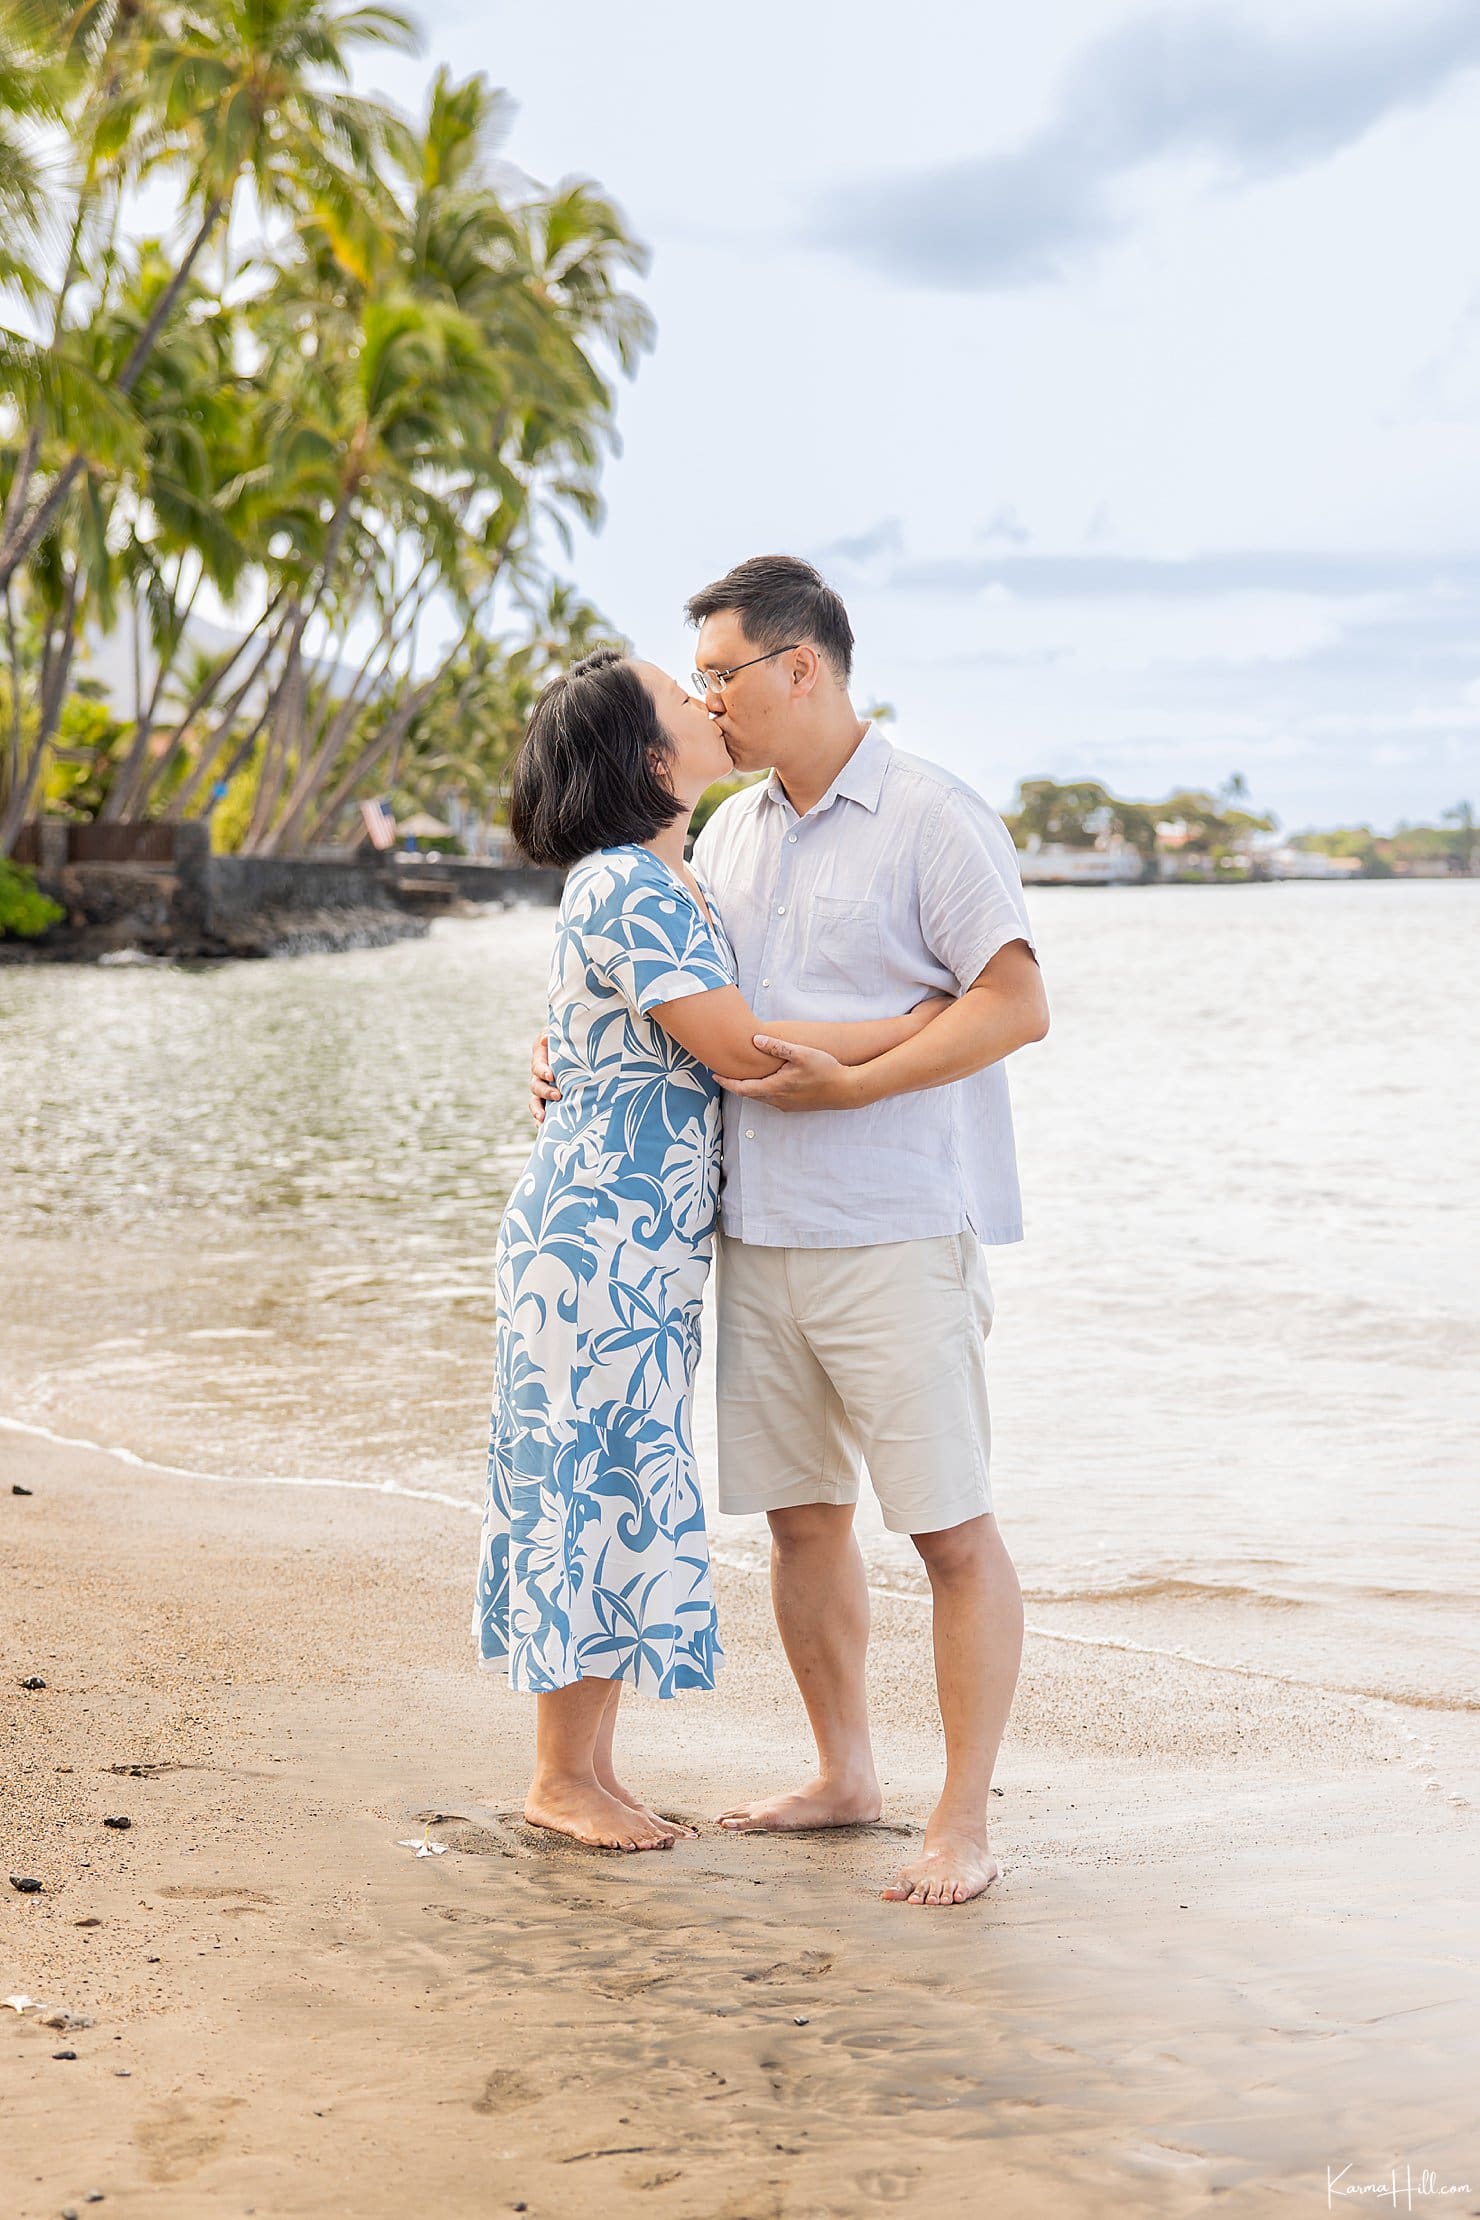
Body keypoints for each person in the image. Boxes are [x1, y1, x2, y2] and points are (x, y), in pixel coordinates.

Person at [531, 558, 1048, 1905]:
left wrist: (867, 1079)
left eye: (723, 674)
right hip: (750, 1232)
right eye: (695, 680)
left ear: (800, 667)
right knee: (804, 1526)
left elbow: (1013, 1006)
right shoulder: (730, 834)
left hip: (891, 1226)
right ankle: (845, 1775)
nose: (710, 698)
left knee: (948, 1529)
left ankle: (964, 1821)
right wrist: (573, 1059)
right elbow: (687, 1014)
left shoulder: (934, 815)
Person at [473, 647, 948, 1855]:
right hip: (598, 1242)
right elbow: (735, 1048)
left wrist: (559, 1052)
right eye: (687, 700)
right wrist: (911, 1027)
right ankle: (558, 1774)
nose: (710, 703)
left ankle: (590, 1766)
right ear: (649, 755)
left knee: (615, 1472)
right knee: (589, 1478)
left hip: (634, 1238)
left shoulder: (672, 880)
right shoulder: (627, 884)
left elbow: (624, 1029)